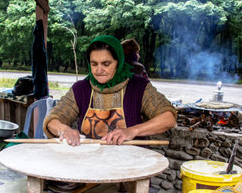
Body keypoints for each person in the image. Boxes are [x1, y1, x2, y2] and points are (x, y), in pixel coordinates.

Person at [43, 35, 176, 146]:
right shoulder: (81, 89)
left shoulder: (139, 86)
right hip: (89, 163)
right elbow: (52, 120)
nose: (98, 70)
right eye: (94, 64)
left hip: (131, 165)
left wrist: (132, 131)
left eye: (106, 64)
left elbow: (168, 118)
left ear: (118, 62)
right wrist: (64, 130)